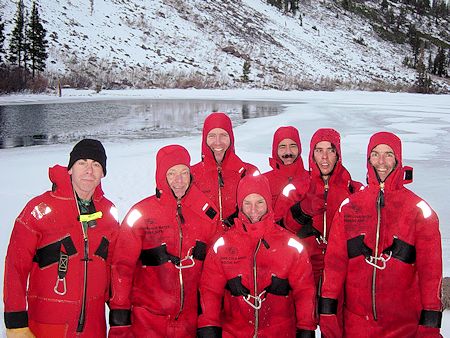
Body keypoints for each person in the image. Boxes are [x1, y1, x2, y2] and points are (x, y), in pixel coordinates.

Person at [319, 132, 443, 338]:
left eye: (388, 154)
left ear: (398, 160)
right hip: (357, 325)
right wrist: (328, 314)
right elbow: (334, 266)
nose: (381, 162)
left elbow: (431, 272)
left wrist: (430, 323)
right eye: (375, 155)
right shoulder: (349, 207)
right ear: (368, 160)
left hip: (404, 326)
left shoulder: (419, 210)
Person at [3, 139, 120, 338]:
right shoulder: (39, 209)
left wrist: (121, 314)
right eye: (82, 162)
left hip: (94, 326)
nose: (89, 170)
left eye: (96, 165)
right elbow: (16, 266)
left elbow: (115, 266)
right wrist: (15, 322)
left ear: (103, 174)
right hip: (48, 323)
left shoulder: (109, 212)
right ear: (70, 169)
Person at [108, 145, 219, 338]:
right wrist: (120, 320)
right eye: (172, 173)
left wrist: (209, 322)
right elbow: (122, 268)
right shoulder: (140, 214)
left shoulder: (207, 214)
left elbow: (216, 274)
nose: (179, 180)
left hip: (190, 324)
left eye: (184, 172)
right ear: (161, 176)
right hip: (147, 323)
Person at [197, 174, 317, 337]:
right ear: (239, 205)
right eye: (247, 203)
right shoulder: (223, 245)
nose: (253, 210)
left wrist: (306, 328)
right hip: (234, 332)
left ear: (268, 203)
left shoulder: (291, 245)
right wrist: (209, 327)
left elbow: (305, 291)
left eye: (259, 202)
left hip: (280, 332)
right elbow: (210, 290)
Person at [284, 128, 362, 287]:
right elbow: (279, 232)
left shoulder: (354, 191)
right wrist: (302, 211)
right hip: (304, 271)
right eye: (319, 150)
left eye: (330, 151)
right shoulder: (295, 189)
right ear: (312, 155)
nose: (324, 157)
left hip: (342, 273)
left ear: (338, 155)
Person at [191, 112, 258, 228]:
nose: (218, 142)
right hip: (205, 242)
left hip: (239, 241)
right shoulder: (192, 175)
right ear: (204, 139)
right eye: (212, 136)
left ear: (231, 138)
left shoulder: (249, 172)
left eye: (223, 135)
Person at [263, 126, 310, 223]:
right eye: (282, 147)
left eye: (293, 146)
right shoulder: (263, 181)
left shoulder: (311, 179)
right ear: (275, 150)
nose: (288, 152)